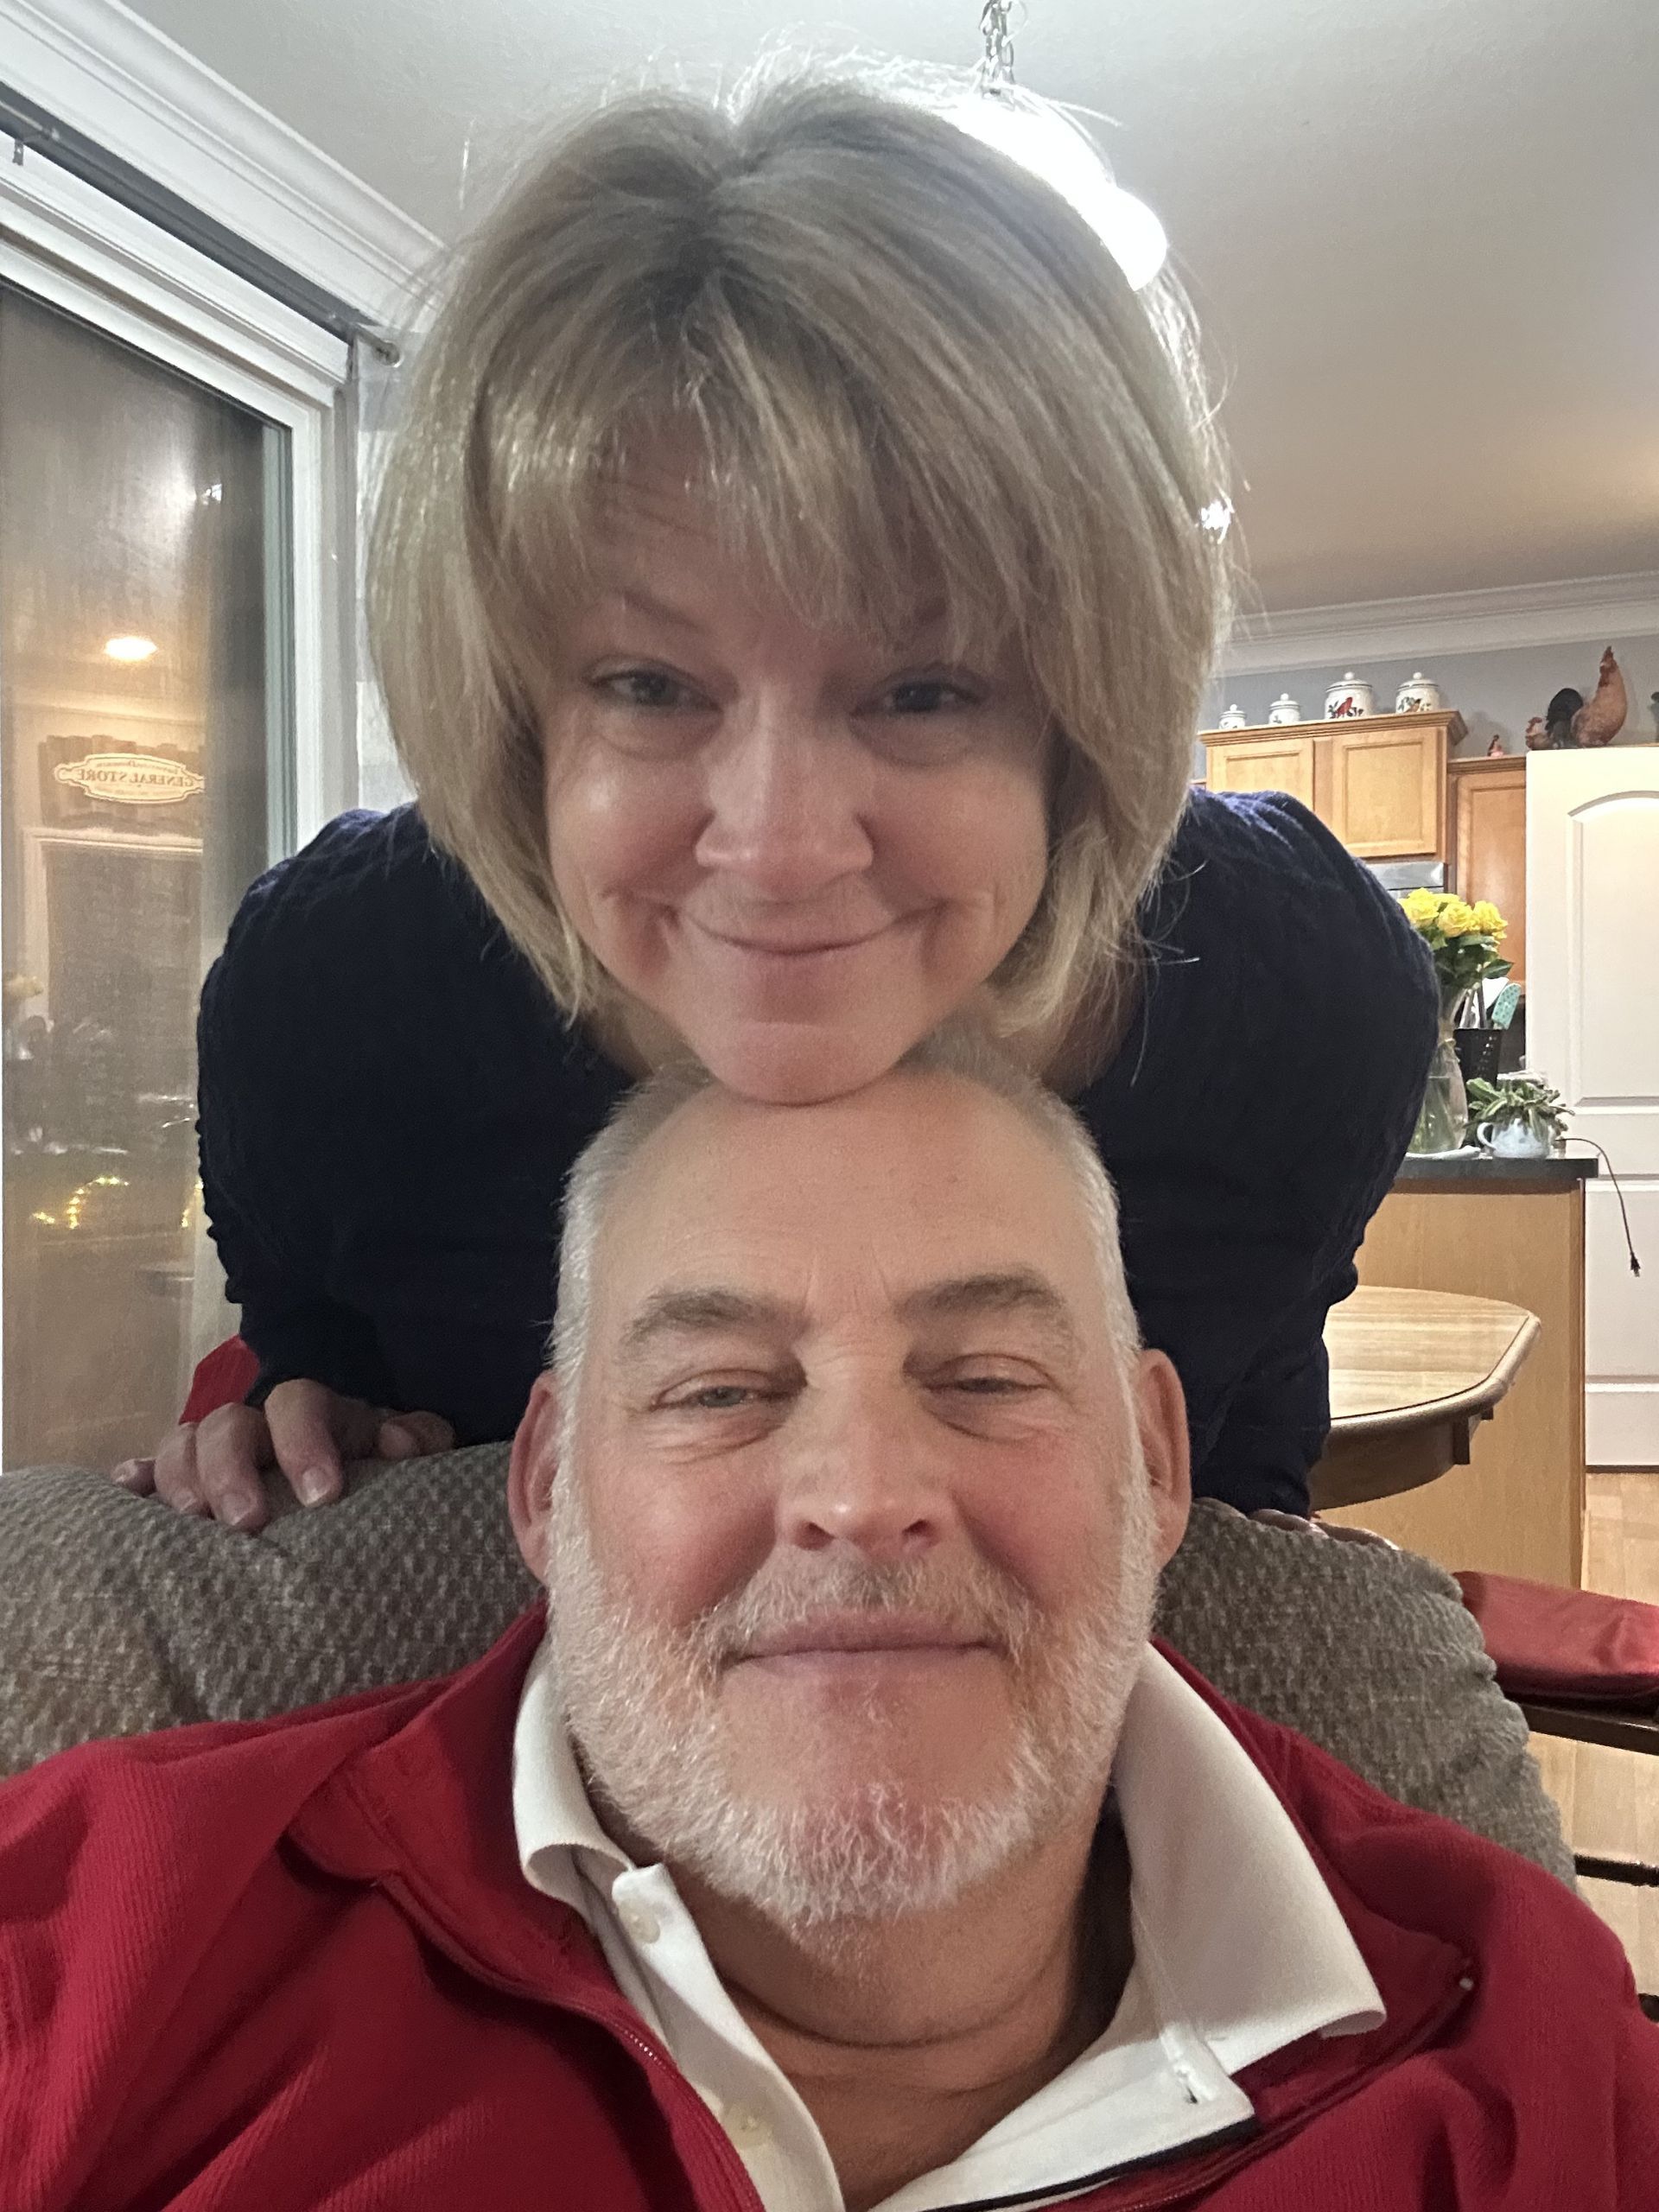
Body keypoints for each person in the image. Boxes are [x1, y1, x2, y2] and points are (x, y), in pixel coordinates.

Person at [111, 65, 1436, 1534]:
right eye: (649, 685)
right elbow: (309, 1346)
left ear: (1083, 722)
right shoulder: (333, 1004)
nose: (780, 849)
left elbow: (1251, 1472)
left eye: (922, 691)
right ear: (514, 716)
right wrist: (301, 1416)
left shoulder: (1304, 1002)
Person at [8, 1045, 1652, 2211]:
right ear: (549, 1487)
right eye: (720, 1390)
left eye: (986, 1378)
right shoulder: (89, 1948)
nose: (863, 1497)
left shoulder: (1525, 2052)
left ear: (1156, 1463)